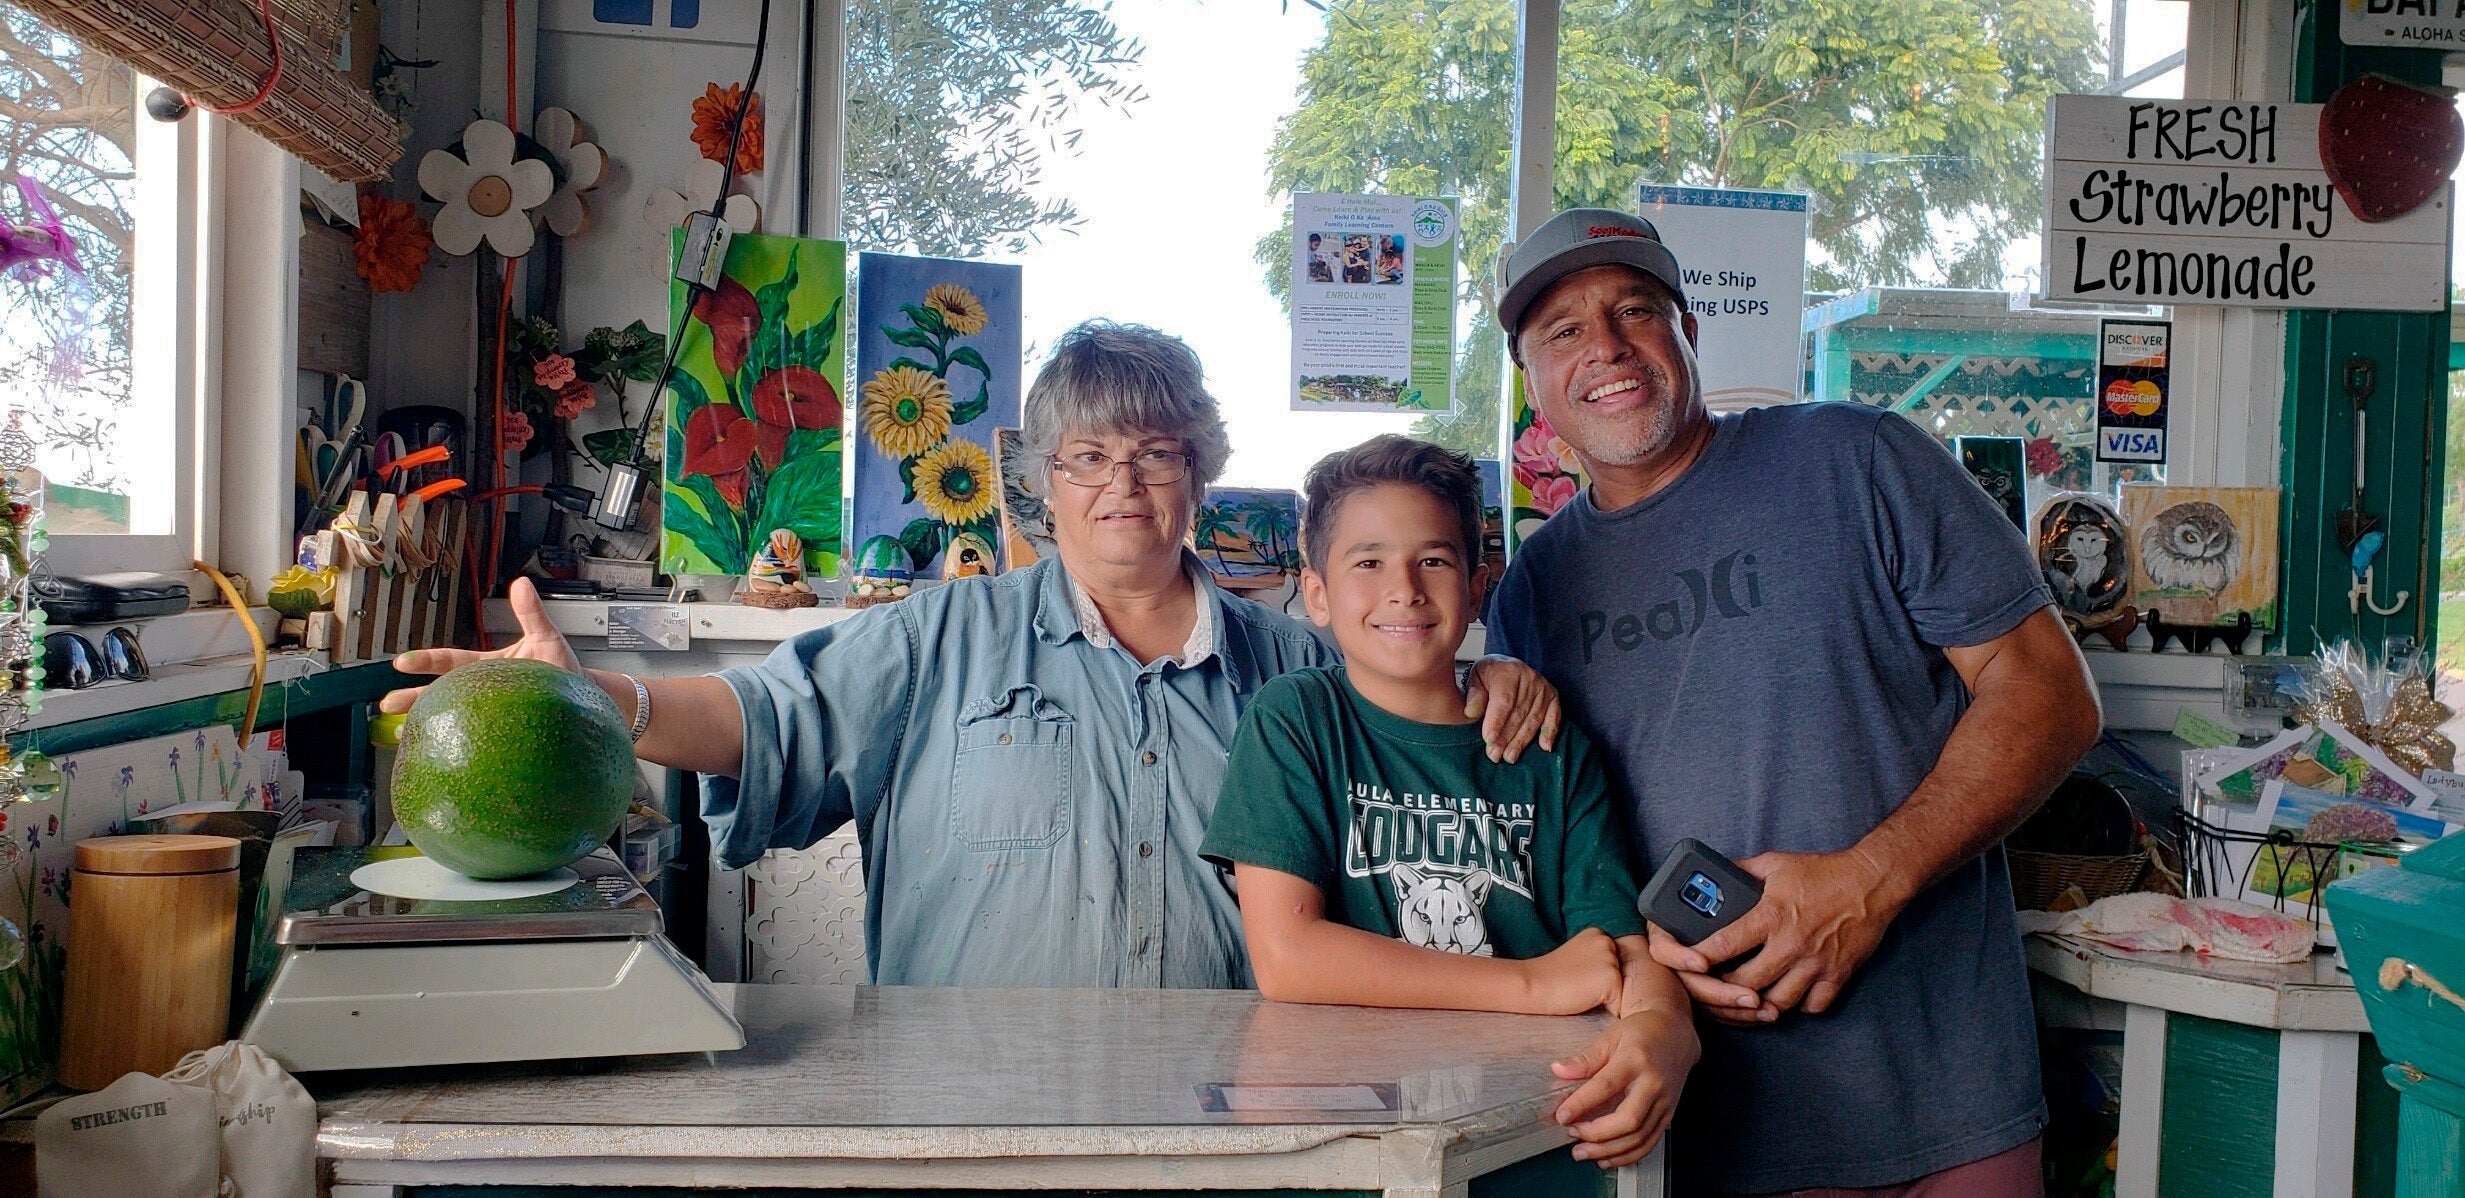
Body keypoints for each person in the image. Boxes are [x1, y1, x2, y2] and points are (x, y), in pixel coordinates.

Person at [383, 320, 1563, 993]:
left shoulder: (1294, 677)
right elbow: (758, 720)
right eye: (1087, 457)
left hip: (1234, 1118)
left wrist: (1484, 681)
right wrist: (595, 698)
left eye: (1154, 453)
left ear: (1198, 472)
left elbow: (1417, 744)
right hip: (968, 1114)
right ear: (1042, 484)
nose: (1122, 486)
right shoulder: (935, 639)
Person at [1482, 209, 2101, 1196]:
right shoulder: (1529, 591)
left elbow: (2050, 692)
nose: (1603, 346)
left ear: (1686, 331)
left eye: (1633, 310)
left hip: (1946, 1097)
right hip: (1714, 1124)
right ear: (1531, 382)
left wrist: (1873, 876)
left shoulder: (1857, 459)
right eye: (1560, 329)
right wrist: (1629, 962)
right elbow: (1549, 847)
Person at [1201, 435, 1696, 1170]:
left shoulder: (1552, 751)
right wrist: (1532, 984)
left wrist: (1666, 1031)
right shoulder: (1297, 718)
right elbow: (1288, 955)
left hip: (1530, 1127)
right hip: (1341, 1133)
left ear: (1476, 585)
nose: (1402, 587)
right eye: (1366, 562)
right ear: (1316, 593)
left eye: (1432, 559)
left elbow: (1617, 950)